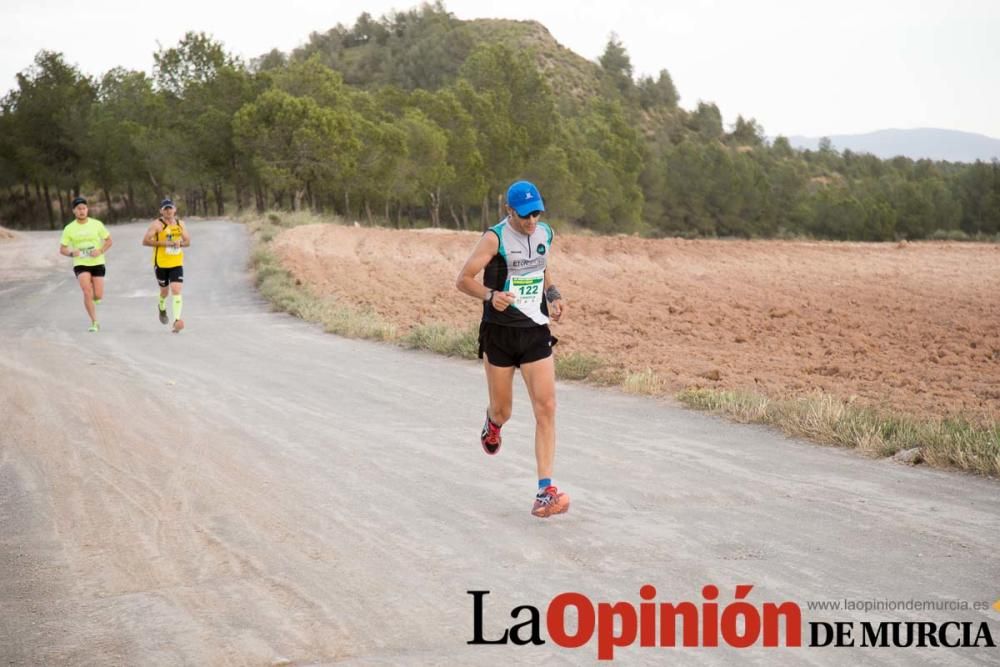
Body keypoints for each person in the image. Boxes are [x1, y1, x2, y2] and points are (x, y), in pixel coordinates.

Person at [455, 180, 569, 518]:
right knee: (503, 410)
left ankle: (545, 491)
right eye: (525, 215)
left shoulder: (545, 233)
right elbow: (463, 279)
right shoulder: (495, 238)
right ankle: (493, 423)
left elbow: (542, 266)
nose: (532, 221)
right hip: (500, 334)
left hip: (535, 329)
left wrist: (553, 294)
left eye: (537, 213)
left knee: (546, 407)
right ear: (509, 211)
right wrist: (491, 296)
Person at [59, 197, 113, 332]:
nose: (82, 211)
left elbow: (109, 241)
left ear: (87, 209)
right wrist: (72, 253)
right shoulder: (69, 228)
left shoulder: (96, 224)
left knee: (98, 295)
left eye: (84, 208)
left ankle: (96, 298)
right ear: (74, 211)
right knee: (86, 290)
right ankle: (94, 322)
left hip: (97, 262)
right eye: (79, 209)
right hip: (81, 263)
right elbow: (62, 249)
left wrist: (100, 250)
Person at [142, 199, 190, 332]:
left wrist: (180, 243)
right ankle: (162, 307)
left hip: (176, 263)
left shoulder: (181, 224)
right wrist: (166, 243)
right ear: (161, 211)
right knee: (164, 291)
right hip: (161, 264)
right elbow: (145, 241)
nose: (168, 211)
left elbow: (187, 241)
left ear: (175, 210)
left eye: (170, 208)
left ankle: (176, 320)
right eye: (165, 209)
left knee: (176, 289)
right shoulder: (157, 225)